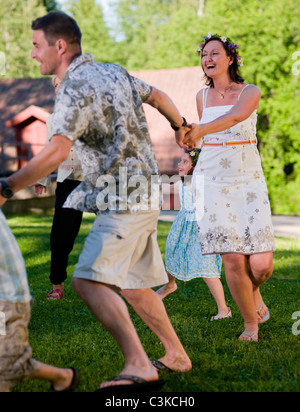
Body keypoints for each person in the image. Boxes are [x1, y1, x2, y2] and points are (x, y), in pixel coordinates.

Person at [0, 12, 192, 392]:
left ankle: (139, 364)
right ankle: (176, 355)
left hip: (124, 197)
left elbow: (56, 151)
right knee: (135, 286)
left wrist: (6, 187)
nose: (33, 55)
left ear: (59, 46)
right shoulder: (114, 71)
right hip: (143, 190)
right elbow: (159, 97)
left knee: (87, 280)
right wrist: (180, 125)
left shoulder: (73, 87)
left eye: (37, 46)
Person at [181, 33, 275, 342]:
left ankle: (255, 292)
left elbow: (235, 117)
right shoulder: (201, 97)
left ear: (230, 59)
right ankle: (250, 324)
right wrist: (190, 153)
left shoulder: (250, 91)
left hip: (248, 180)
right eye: (204, 54)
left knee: (261, 265)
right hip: (212, 182)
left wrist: (199, 131)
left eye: (214, 54)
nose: (207, 59)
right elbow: (204, 141)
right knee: (232, 259)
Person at [0, 209, 80, 392]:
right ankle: (63, 377)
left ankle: (63, 377)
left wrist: (8, 187)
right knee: (8, 364)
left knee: (5, 368)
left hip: (6, 297)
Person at [156, 148, 232, 322]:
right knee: (173, 256)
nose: (179, 164)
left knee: (207, 269)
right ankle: (169, 286)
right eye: (180, 161)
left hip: (201, 230)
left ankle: (224, 309)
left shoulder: (202, 183)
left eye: (184, 162)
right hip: (183, 228)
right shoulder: (182, 182)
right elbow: (166, 199)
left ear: (195, 166)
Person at [34, 76, 84, 301]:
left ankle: (126, 281)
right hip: (68, 182)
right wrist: (42, 179)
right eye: (56, 85)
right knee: (60, 236)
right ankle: (57, 285)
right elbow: (49, 150)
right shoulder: (53, 120)